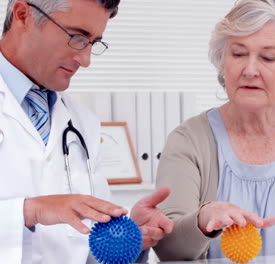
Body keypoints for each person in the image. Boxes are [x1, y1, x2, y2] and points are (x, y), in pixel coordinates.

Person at [153, 0, 275, 261]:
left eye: (268, 58)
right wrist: (202, 221)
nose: (250, 70)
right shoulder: (188, 140)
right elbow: (169, 251)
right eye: (238, 54)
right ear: (222, 62)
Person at [0, 0, 173, 263]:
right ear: (24, 15)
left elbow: (83, 250)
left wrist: (124, 239)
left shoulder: (82, 123)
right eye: (77, 37)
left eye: (93, 42)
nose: (86, 59)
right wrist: (29, 211)